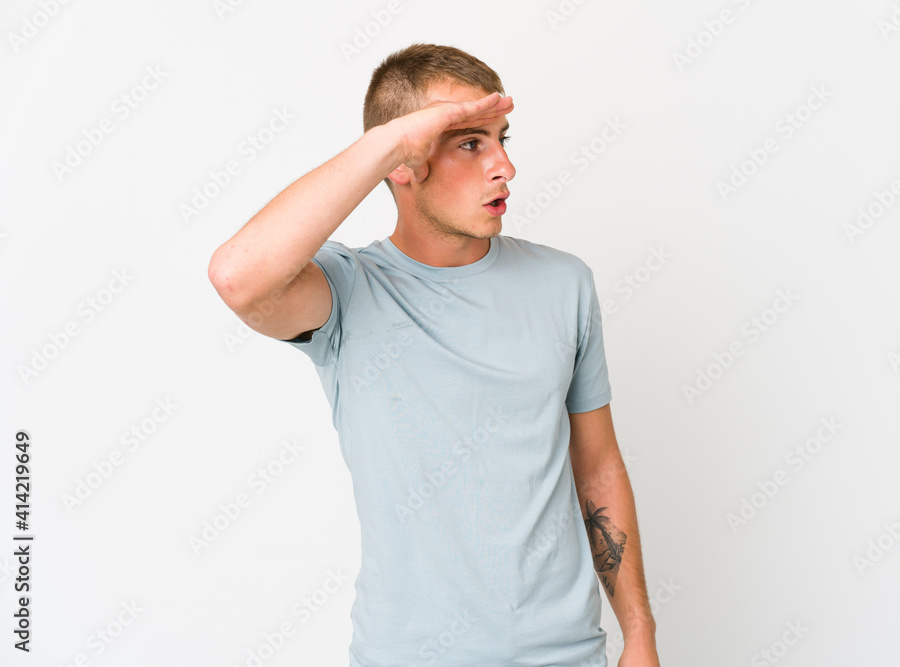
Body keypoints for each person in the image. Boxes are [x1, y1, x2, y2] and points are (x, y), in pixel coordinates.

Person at [208, 42, 659, 667]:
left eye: (501, 139)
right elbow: (237, 277)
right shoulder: (347, 291)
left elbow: (599, 465)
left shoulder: (565, 284)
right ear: (403, 161)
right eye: (469, 143)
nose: (505, 166)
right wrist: (392, 141)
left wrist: (639, 633)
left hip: (567, 655)